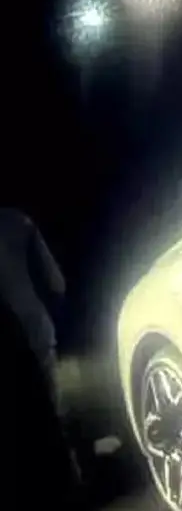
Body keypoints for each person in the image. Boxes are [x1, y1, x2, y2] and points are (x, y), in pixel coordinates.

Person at [0, 208, 82, 507]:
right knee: (52, 413)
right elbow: (56, 282)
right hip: (34, 329)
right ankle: (70, 483)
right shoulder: (17, 221)